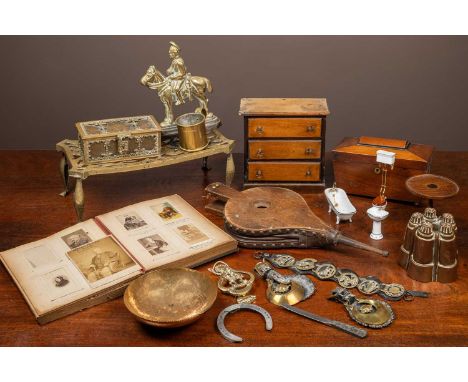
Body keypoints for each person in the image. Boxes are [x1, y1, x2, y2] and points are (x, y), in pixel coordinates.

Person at [166, 41, 187, 105]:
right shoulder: (174, 61)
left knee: (176, 89)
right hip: (175, 77)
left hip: (180, 78)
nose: (169, 54)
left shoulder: (178, 62)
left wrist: (173, 76)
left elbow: (182, 73)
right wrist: (169, 71)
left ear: (175, 53)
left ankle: (180, 100)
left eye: (171, 53)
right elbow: (171, 69)